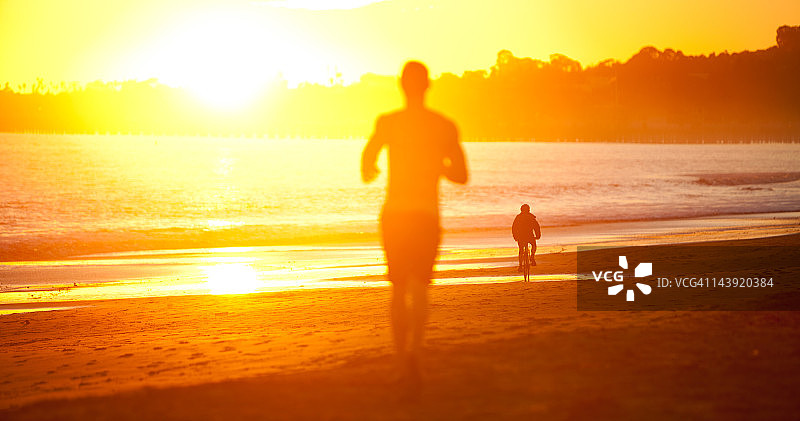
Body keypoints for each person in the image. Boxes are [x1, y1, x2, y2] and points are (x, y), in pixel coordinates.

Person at [361, 61, 468, 392]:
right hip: (425, 215)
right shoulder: (443, 126)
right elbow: (461, 175)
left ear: (400, 84)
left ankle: (399, 360)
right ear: (428, 85)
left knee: (398, 289)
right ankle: (415, 353)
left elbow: (367, 161)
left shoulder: (388, 122)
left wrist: (371, 169)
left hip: (395, 213)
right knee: (420, 286)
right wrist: (437, 166)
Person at [512, 204, 541, 272]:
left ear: (521, 210)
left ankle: (520, 266)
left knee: (521, 250)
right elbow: (536, 227)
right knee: (533, 245)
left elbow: (514, 228)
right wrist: (538, 235)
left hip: (521, 236)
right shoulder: (531, 217)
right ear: (528, 210)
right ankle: (532, 257)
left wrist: (515, 236)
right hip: (529, 236)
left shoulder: (518, 217)